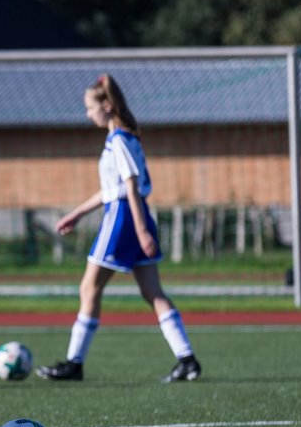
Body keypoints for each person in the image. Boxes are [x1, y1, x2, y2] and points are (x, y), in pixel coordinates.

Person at [37, 73, 201, 383]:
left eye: (90, 107)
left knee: (89, 288)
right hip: (133, 214)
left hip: (125, 217)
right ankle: (187, 359)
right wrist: (77, 214)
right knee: (153, 292)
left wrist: (139, 230)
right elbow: (111, 188)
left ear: (107, 105)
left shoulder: (119, 140)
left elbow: (130, 185)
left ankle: (74, 363)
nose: (88, 114)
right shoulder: (126, 137)